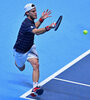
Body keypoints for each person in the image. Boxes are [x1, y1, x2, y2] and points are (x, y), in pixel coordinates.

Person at [13, 3, 56, 96]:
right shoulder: (26, 23)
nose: (36, 13)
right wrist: (48, 27)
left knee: (36, 64)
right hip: (20, 51)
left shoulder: (31, 21)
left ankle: (35, 87)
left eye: (36, 10)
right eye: (33, 11)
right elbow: (36, 32)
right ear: (27, 13)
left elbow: (35, 27)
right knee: (21, 68)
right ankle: (17, 62)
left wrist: (41, 19)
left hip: (30, 47)